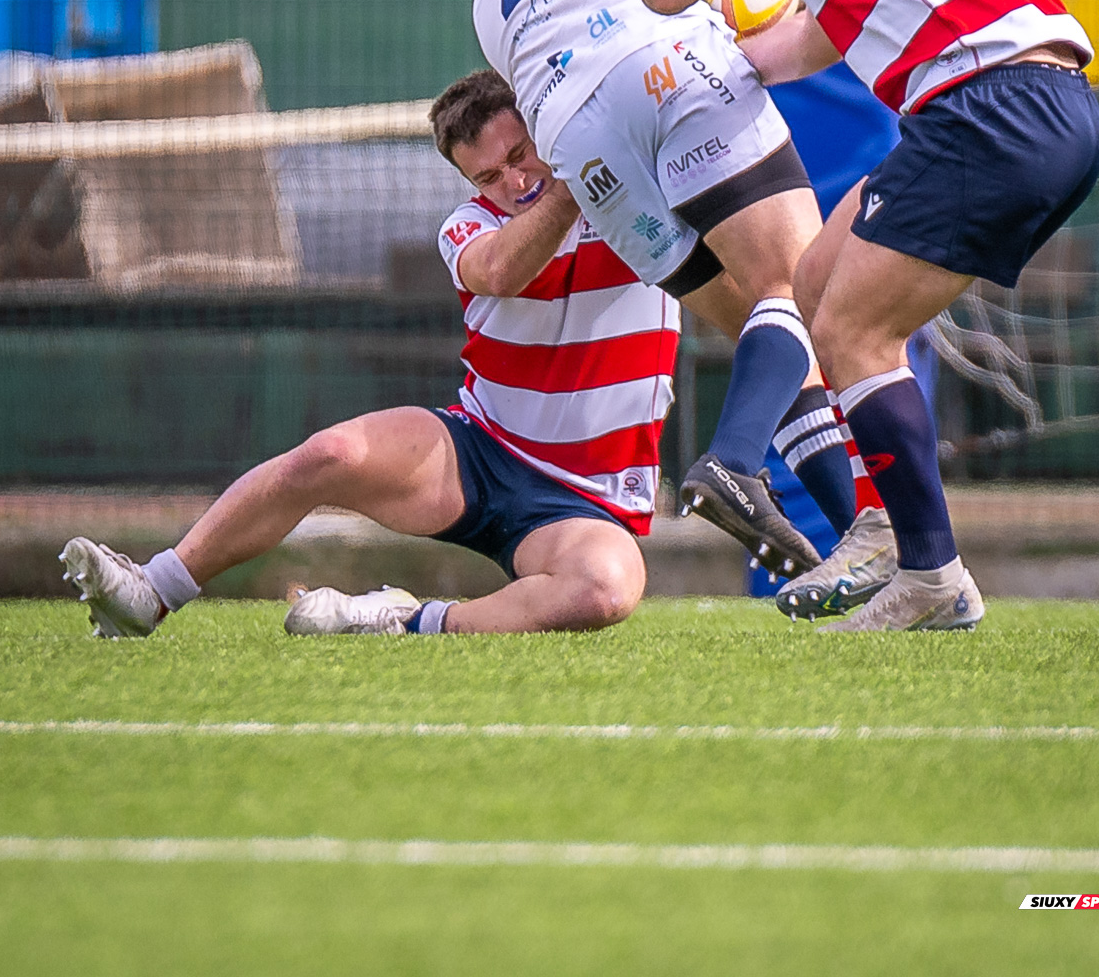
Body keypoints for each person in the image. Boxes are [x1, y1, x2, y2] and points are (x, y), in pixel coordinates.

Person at [602, 0, 1099, 633]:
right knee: (813, 281)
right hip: (1051, 103)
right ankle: (880, 523)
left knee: (853, 334)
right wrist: (733, 63)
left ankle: (931, 574)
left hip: (986, 109)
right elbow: (820, 38)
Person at [60, 71, 683, 640]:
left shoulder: (640, 197)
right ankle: (152, 590)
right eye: (488, 177)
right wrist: (572, 184)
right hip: (479, 451)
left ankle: (406, 619)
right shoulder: (468, 227)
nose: (514, 183)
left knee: (604, 588)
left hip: (584, 496)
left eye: (520, 155)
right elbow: (500, 270)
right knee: (329, 454)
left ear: (546, 129)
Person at [471, 0, 867, 580]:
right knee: (799, 288)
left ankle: (866, 547)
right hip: (664, 63)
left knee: (769, 331)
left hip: (581, 149)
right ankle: (733, 462)